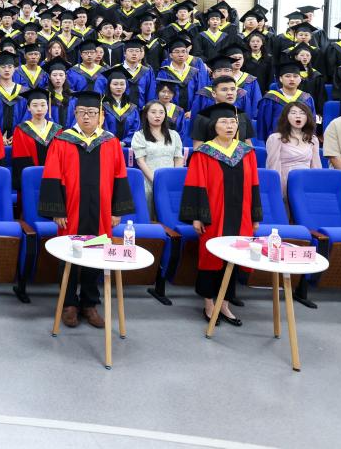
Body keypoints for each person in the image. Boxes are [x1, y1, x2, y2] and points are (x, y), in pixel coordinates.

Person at [38, 90, 134, 329]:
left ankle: (90, 303)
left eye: (92, 113)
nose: (87, 117)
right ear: (75, 114)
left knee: (97, 253)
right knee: (69, 254)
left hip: (101, 211)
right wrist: (57, 210)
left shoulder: (110, 142)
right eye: (82, 113)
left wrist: (116, 211)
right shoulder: (62, 140)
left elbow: (119, 176)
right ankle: (69, 303)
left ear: (101, 115)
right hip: (71, 210)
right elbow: (51, 175)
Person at [179, 102, 261, 326]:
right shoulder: (203, 153)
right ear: (213, 126)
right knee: (211, 258)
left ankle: (224, 303)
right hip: (213, 215)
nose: (229, 126)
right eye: (224, 122)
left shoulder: (246, 152)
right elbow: (195, 185)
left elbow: (254, 185)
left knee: (235, 256)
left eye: (233, 122)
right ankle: (208, 302)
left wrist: (255, 216)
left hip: (241, 215)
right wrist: (197, 216)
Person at [130, 101, 184, 216]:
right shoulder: (139, 136)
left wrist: (173, 179)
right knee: (149, 215)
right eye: (153, 112)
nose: (157, 115)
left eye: (161, 112)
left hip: (170, 181)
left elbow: (178, 158)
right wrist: (157, 182)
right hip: (149, 180)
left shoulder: (174, 135)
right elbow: (140, 162)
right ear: (146, 115)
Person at [10, 88, 62, 207]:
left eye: (43, 105)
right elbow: (20, 160)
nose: (39, 109)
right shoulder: (21, 130)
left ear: (48, 107)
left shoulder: (57, 130)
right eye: (35, 105)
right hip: (30, 182)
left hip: (53, 179)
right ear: (28, 108)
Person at [265, 100, 321, 193]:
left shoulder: (313, 139)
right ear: (286, 117)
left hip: (306, 183)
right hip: (285, 183)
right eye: (293, 113)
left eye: (302, 113)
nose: (298, 116)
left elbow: (316, 167)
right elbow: (273, 167)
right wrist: (277, 191)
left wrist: (316, 188)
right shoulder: (276, 138)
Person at [256, 60, 316, 141]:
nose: (292, 79)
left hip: (302, 142)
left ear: (300, 79)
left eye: (295, 76)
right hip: (277, 141)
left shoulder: (307, 98)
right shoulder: (270, 98)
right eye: (287, 76)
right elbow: (263, 125)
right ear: (280, 79)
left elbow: (312, 122)